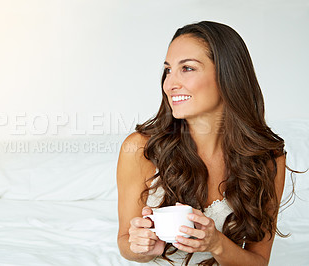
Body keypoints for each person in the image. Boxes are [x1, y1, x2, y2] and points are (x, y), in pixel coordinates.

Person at [116, 21, 289, 265]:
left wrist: (217, 244)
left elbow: (258, 261)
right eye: (168, 70)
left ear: (227, 75)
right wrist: (142, 247)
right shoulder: (140, 149)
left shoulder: (268, 157)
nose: (169, 84)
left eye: (187, 68)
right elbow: (125, 243)